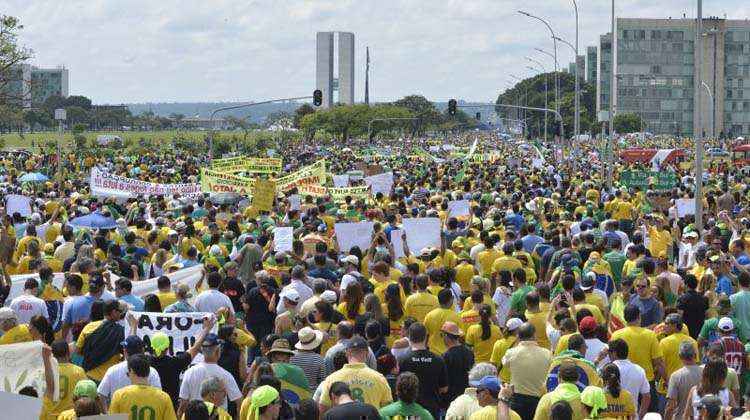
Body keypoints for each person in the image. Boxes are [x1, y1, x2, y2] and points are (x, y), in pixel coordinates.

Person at [144, 315, 214, 409]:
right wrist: (206, 328)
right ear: (167, 348)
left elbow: (132, 352)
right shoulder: (175, 363)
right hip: (170, 408)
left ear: (151, 346)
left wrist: (133, 326)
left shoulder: (144, 362)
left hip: (150, 408)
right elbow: (196, 348)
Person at [610, 304, 664, 412]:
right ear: (639, 316)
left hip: (622, 381)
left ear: (625, 317)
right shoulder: (650, 335)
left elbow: (612, 359)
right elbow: (658, 362)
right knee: (649, 414)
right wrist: (665, 378)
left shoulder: (616, 335)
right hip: (647, 382)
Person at [318, 336, 392, 412]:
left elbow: (323, 409)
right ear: (367, 353)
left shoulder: (332, 379)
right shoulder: (380, 379)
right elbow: (387, 410)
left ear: (346, 353)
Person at [177, 333, 242, 417]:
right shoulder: (225, 375)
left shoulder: (189, 373)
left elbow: (183, 405)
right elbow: (239, 402)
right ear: (218, 351)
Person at [397, 322, 448, 420]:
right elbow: (444, 388)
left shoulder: (402, 359)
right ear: (426, 337)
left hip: (409, 410)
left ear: (409, 337)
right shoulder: (438, 360)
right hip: (431, 410)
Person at [97, 335, 162, 411]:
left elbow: (100, 395)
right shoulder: (152, 372)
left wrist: (107, 414)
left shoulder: (113, 370)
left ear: (125, 351)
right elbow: (158, 396)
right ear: (142, 351)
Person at [502, 322, 552, 420]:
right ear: (534, 335)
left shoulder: (511, 353)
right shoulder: (547, 354)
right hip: (539, 399)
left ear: (518, 336)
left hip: (517, 399)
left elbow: (505, 363)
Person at [108, 354, 177, 420]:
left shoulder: (119, 395)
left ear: (131, 371)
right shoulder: (164, 398)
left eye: (128, 374)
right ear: (148, 371)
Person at [76, 299, 126, 382]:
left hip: (89, 375)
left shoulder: (89, 327)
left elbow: (78, 350)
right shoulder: (121, 331)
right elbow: (125, 353)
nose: (120, 314)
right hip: (110, 378)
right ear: (114, 312)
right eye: (119, 311)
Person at [39, 340, 88, 420]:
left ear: (52, 354)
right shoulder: (78, 371)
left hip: (49, 415)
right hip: (69, 416)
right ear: (68, 353)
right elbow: (85, 395)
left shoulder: (45, 371)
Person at [606, 339, 651, 419]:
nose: (608, 355)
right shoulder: (639, 370)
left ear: (614, 353)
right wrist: (640, 416)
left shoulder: (607, 370)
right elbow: (647, 396)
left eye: (609, 352)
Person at [665, 341, 703, 420]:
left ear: (679, 356)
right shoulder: (705, 373)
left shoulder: (675, 376)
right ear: (695, 355)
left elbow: (670, 406)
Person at [441, 321, 474, 404]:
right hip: (467, 397)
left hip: (450, 399)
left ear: (446, 336)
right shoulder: (469, 352)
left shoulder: (446, 356)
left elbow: (443, 381)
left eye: (442, 335)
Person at [424, 288, 462, 356]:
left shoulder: (429, 315)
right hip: (450, 354)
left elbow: (426, 335)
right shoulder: (456, 317)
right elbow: (461, 338)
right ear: (452, 299)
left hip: (433, 353)